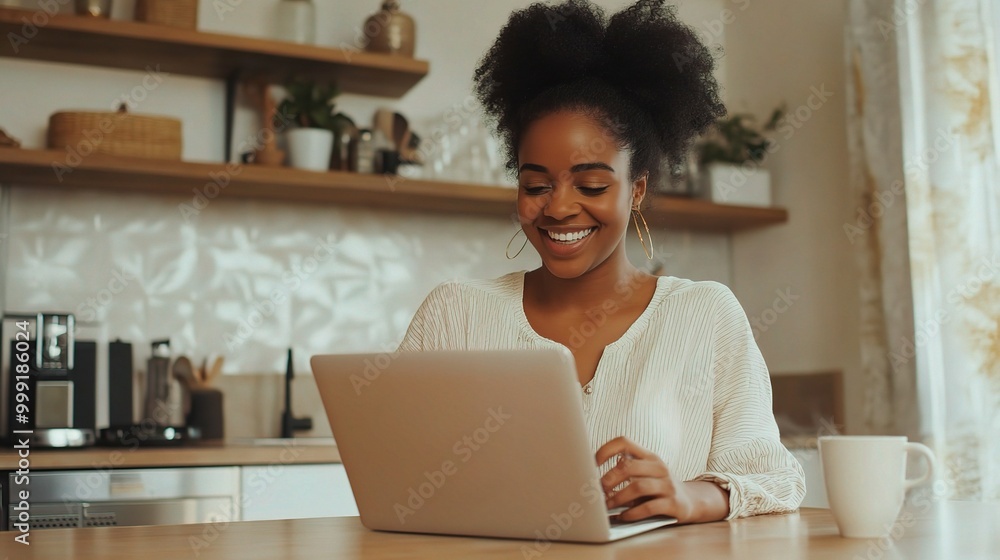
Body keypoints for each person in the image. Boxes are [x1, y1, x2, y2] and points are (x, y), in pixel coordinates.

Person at [398, 0, 805, 524]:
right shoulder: (453, 315)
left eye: (591, 184)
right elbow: (398, 478)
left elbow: (774, 479)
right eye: (535, 184)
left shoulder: (706, 314)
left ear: (637, 190)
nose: (559, 206)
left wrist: (687, 497)